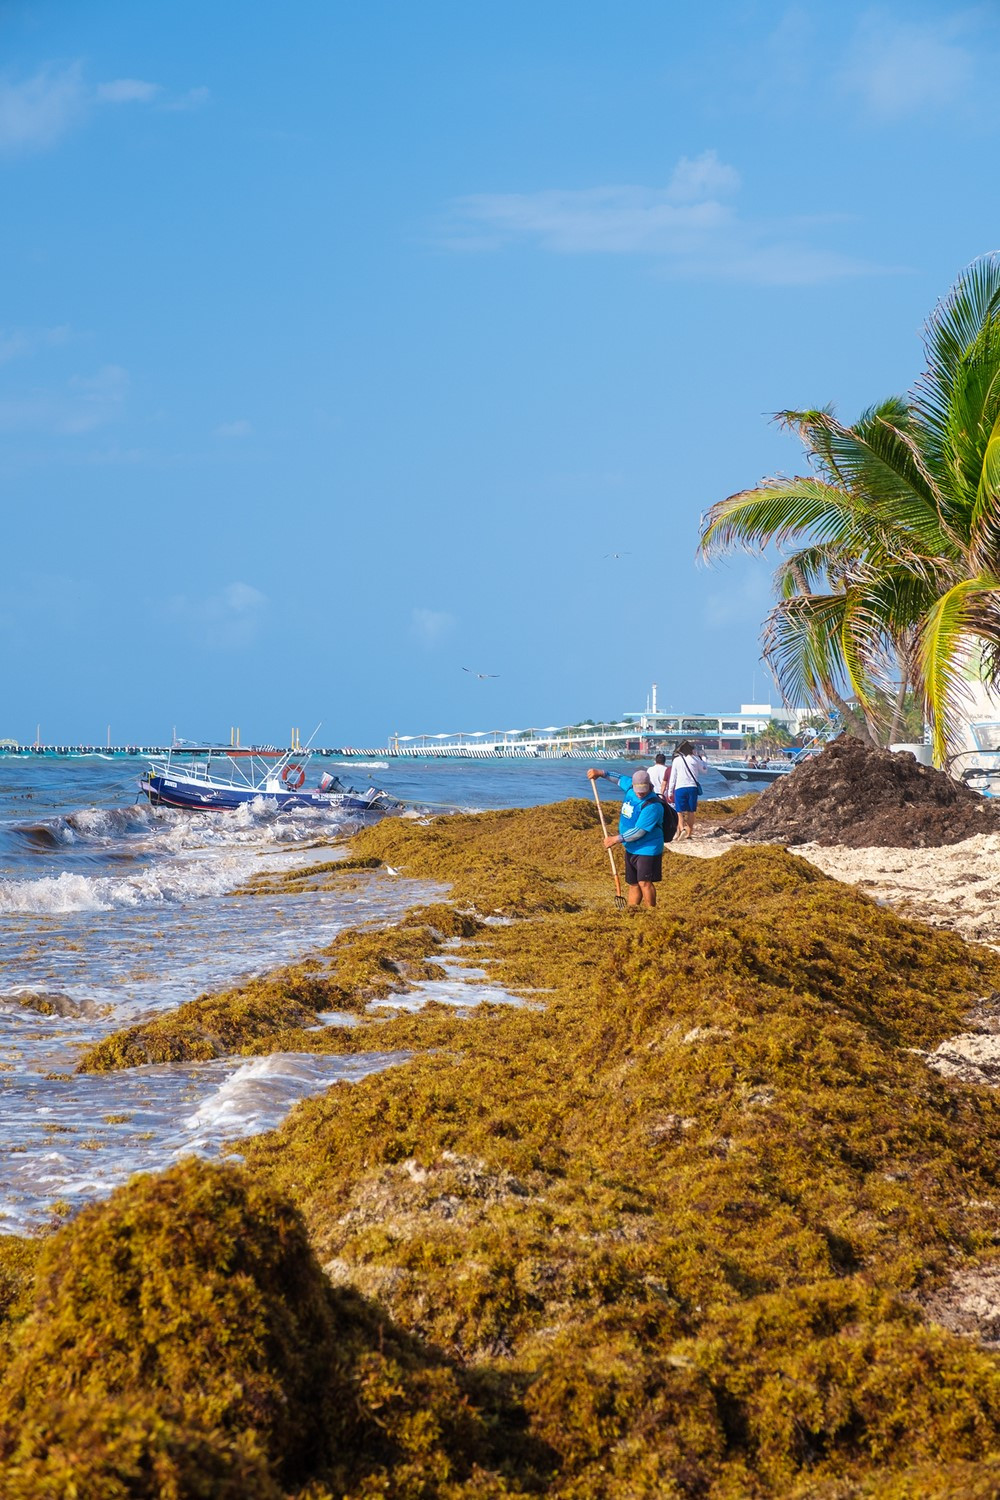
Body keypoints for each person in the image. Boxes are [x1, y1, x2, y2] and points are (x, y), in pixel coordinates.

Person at [587, 766, 664, 908]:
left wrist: (615, 839)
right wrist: (601, 773)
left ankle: (652, 913)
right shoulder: (629, 786)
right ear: (633, 785)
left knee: (644, 882)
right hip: (631, 847)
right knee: (633, 883)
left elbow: (639, 831)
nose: (640, 794)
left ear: (649, 786)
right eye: (638, 790)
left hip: (647, 848)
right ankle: (632, 910)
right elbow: (618, 778)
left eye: (644, 791)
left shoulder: (653, 805)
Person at [667, 740, 710, 841]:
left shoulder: (677, 760)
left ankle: (682, 830)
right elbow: (704, 771)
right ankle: (689, 834)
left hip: (679, 788)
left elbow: (673, 777)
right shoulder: (695, 759)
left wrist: (669, 791)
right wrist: (704, 759)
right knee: (691, 812)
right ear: (692, 750)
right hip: (692, 787)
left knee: (679, 812)